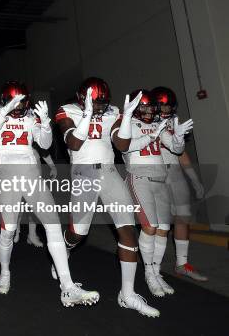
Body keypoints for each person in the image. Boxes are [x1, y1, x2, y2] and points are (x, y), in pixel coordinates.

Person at [0, 81, 99, 305]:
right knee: (9, 230)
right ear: (5, 101)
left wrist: (45, 123)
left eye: (22, 102)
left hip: (31, 174)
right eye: (14, 102)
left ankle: (67, 286)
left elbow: (44, 144)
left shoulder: (30, 116)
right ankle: (5, 271)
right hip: (7, 174)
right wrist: (6, 111)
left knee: (53, 224)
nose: (19, 107)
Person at [55, 77, 160, 317]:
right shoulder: (67, 110)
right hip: (83, 172)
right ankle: (66, 247)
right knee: (77, 234)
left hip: (110, 172)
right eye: (96, 103)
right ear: (83, 99)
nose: (101, 107)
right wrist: (87, 115)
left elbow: (122, 145)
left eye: (103, 103)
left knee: (127, 230)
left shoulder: (112, 111)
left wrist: (124, 119)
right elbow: (73, 143)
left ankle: (128, 294)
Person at [122, 90, 191, 297]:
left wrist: (177, 137)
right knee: (150, 226)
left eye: (151, 106)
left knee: (163, 229)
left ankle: (156, 271)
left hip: (161, 180)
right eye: (143, 106)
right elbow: (125, 147)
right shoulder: (128, 123)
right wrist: (150, 136)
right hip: (139, 178)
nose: (148, 110)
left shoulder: (157, 124)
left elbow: (176, 150)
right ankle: (149, 273)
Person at [152, 86, 208, 282]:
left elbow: (181, 153)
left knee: (182, 217)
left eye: (169, 107)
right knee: (159, 223)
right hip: (156, 174)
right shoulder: (145, 122)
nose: (166, 111)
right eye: (162, 107)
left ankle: (182, 264)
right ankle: (153, 269)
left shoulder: (174, 123)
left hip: (174, 173)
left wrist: (194, 180)